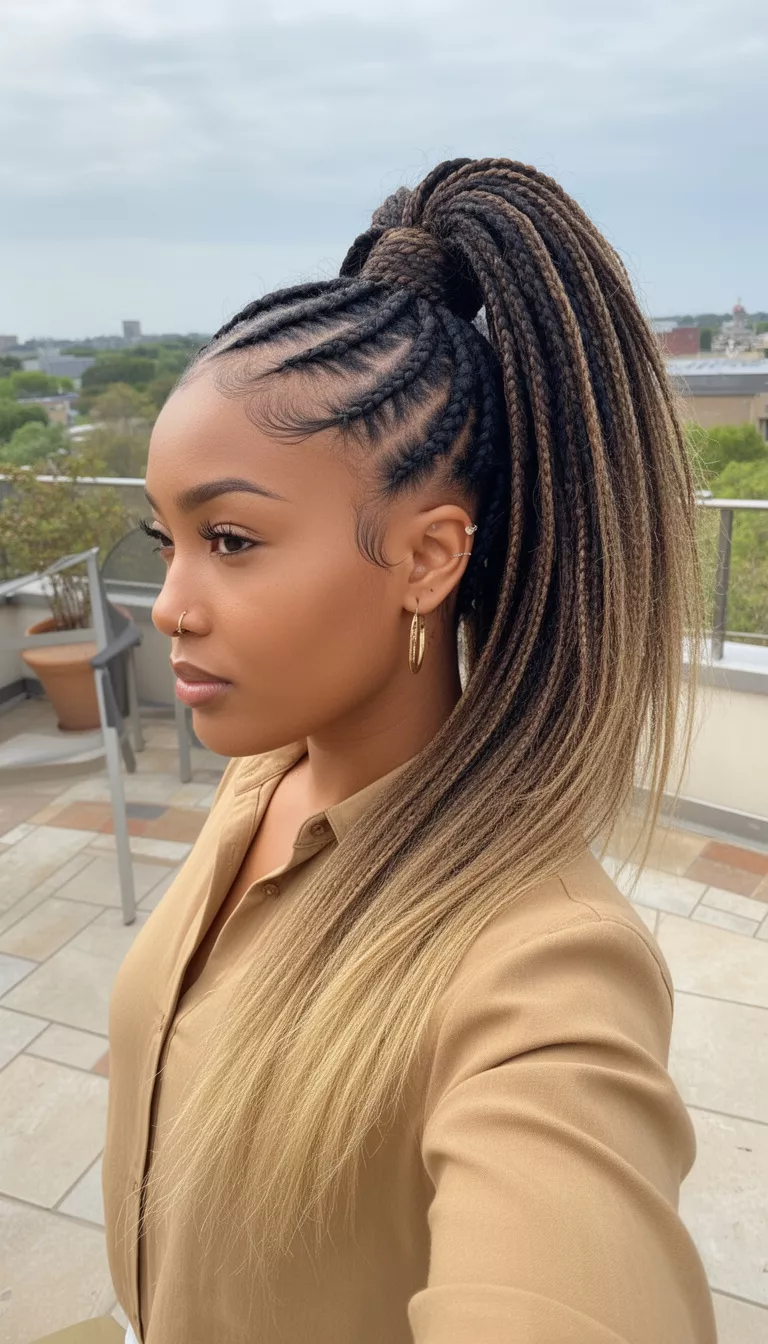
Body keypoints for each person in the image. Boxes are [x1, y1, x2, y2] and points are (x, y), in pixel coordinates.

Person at [103, 157, 717, 1344]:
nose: (167, 603)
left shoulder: (541, 971)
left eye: (229, 539)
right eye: (163, 536)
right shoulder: (266, 771)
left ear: (429, 557)